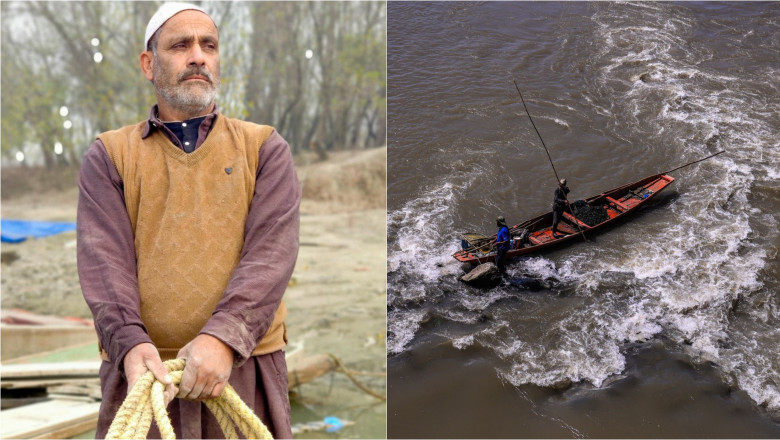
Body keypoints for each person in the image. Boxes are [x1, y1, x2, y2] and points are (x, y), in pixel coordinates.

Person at [76, 3, 299, 438]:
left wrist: (223, 339)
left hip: (244, 365)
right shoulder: (109, 156)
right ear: (149, 63)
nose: (198, 55)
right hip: (144, 374)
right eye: (180, 45)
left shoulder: (264, 148)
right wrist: (129, 343)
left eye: (208, 45)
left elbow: (271, 256)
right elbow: (104, 264)